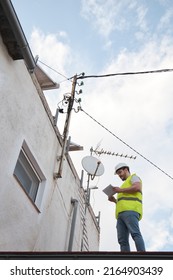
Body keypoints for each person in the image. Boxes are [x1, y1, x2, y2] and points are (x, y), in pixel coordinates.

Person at [108, 162, 145, 252]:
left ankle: (143, 256)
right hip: (121, 215)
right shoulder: (124, 185)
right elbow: (125, 200)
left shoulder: (134, 177)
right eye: (118, 174)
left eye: (120, 172)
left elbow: (137, 187)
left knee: (135, 234)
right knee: (122, 240)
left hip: (131, 211)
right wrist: (115, 201)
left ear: (126, 170)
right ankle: (125, 259)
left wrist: (120, 190)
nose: (119, 175)